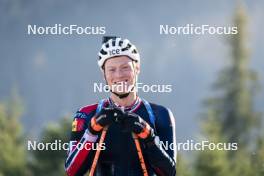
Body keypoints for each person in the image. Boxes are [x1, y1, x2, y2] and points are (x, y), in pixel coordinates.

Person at [65, 37, 177, 176]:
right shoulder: (87, 114)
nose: (118, 75)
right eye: (112, 69)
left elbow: (169, 173)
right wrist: (92, 131)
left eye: (125, 68)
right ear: (103, 74)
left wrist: (149, 137)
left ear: (137, 69)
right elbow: (72, 171)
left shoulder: (160, 114)